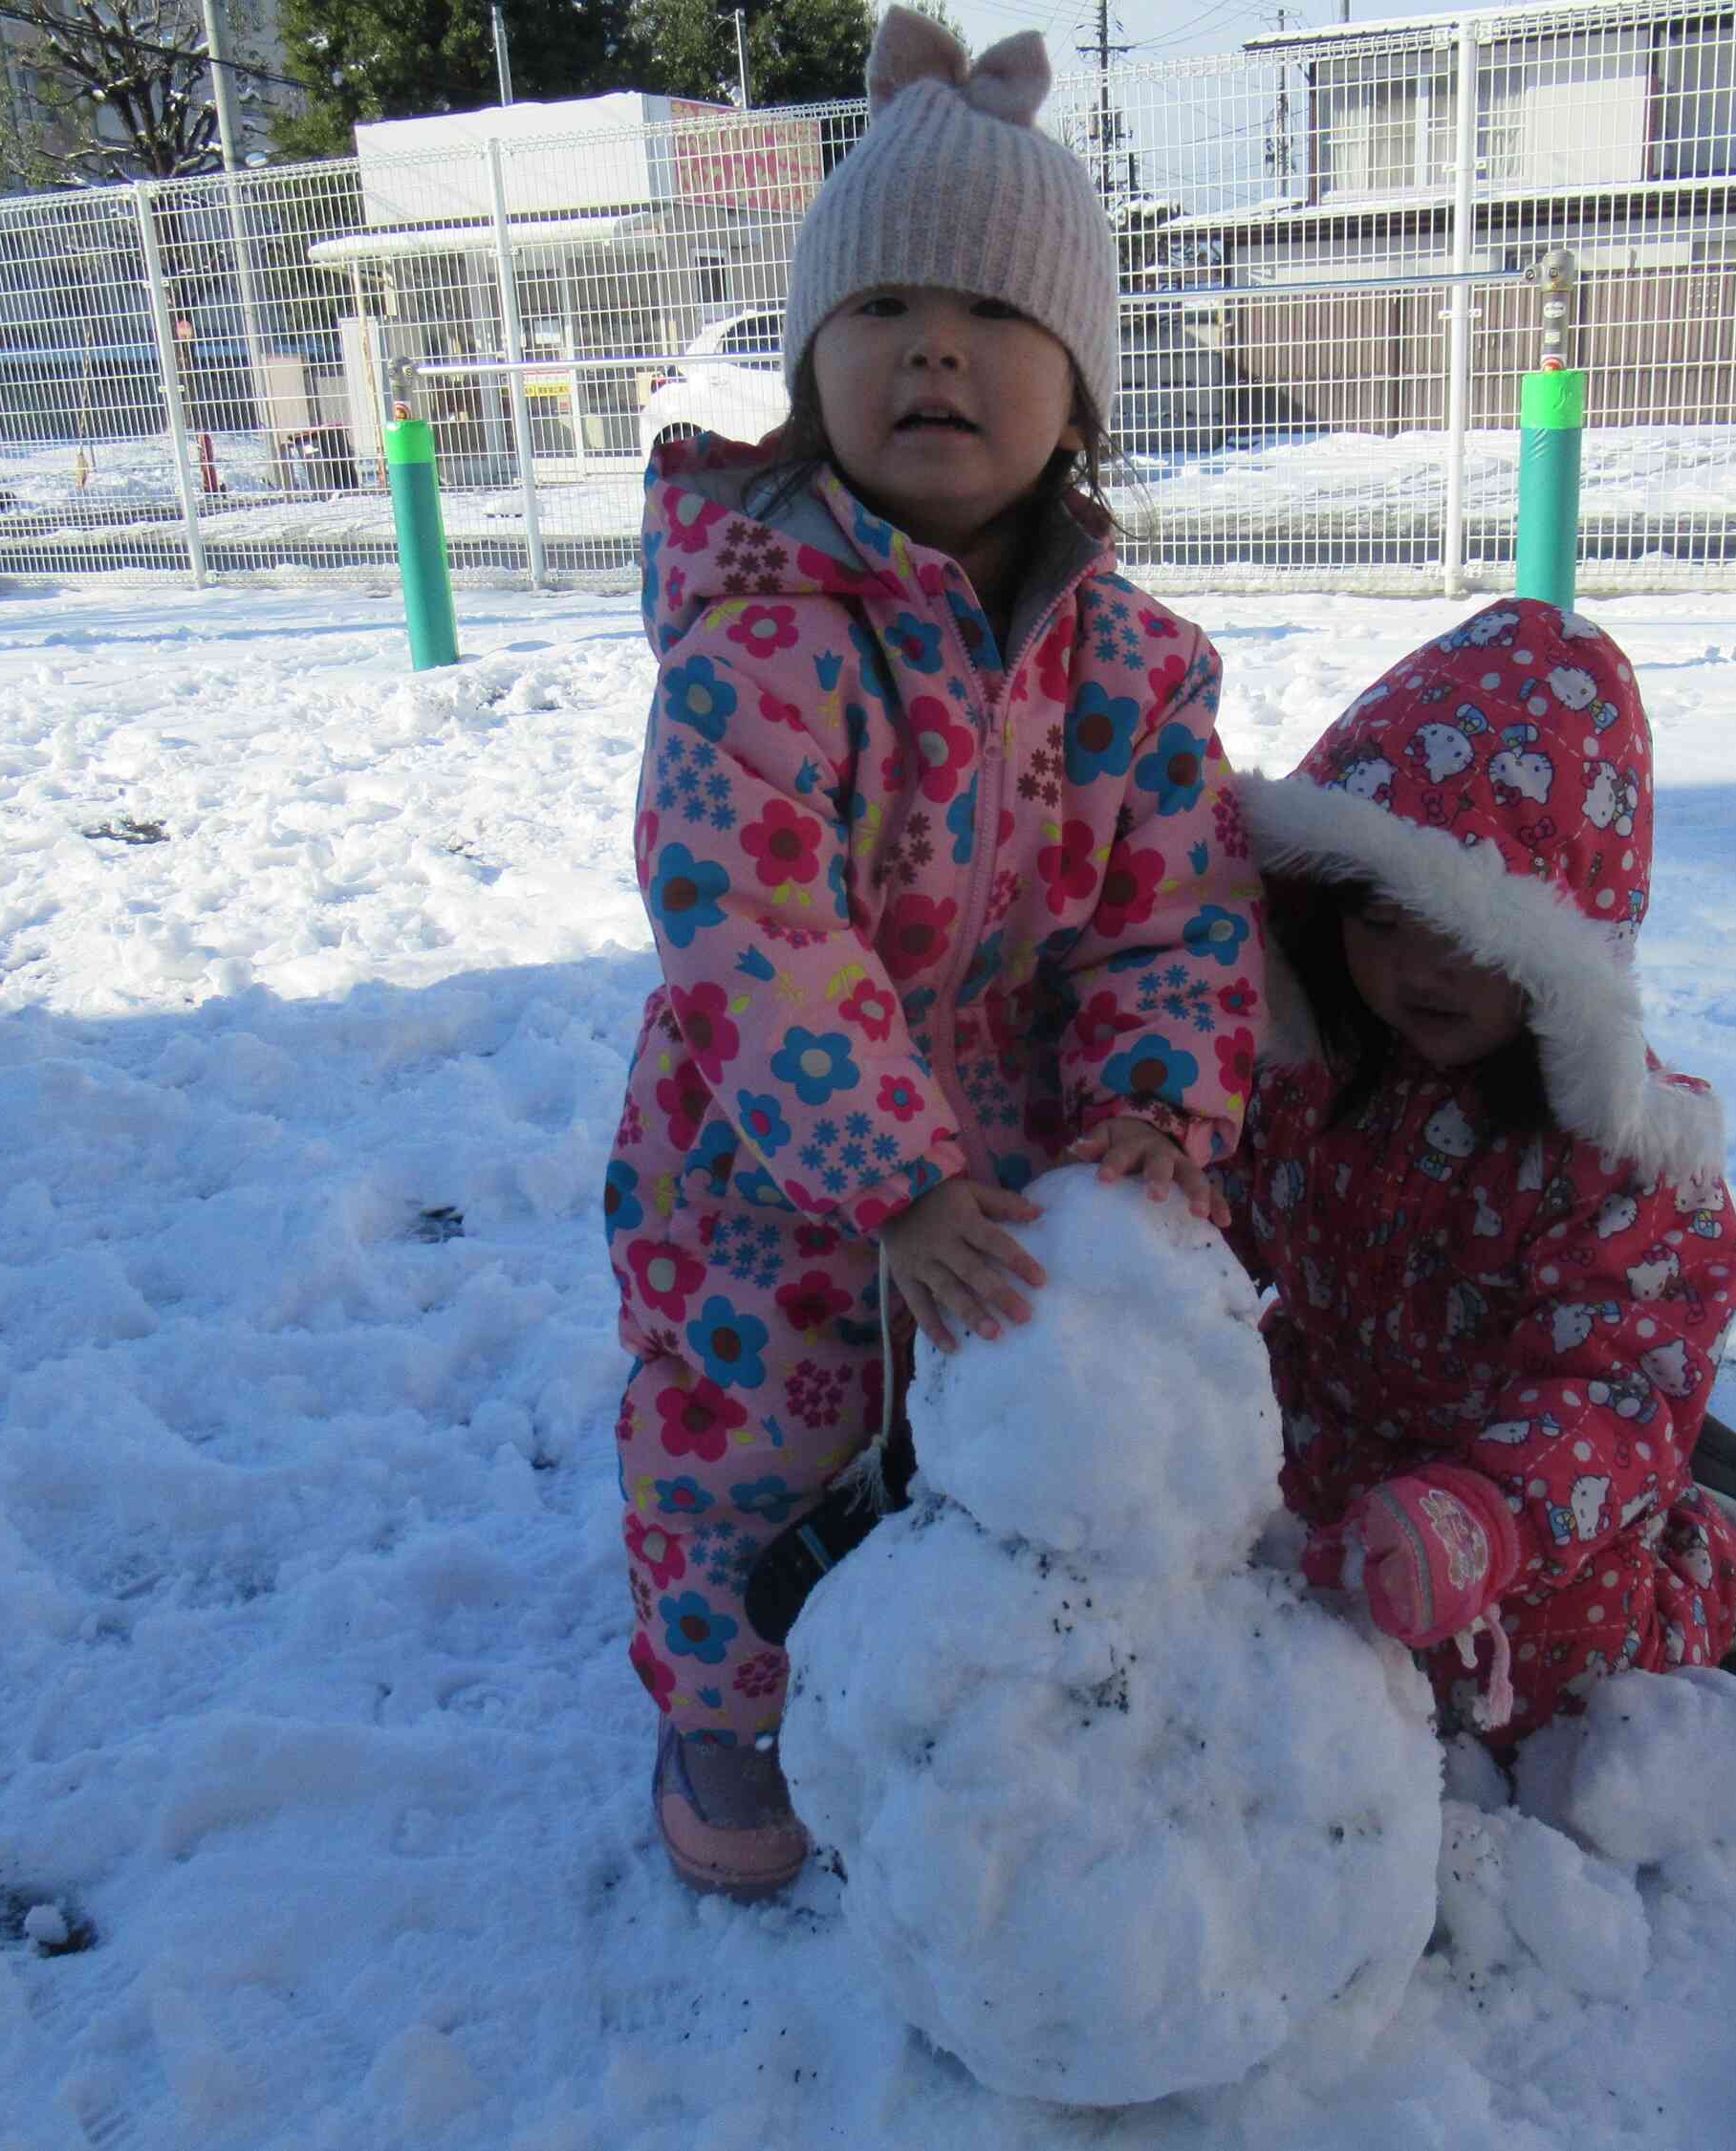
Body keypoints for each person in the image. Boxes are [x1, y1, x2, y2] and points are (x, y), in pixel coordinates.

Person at [608, 6, 1263, 1898]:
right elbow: (745, 910)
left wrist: (1159, 1102)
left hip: (1035, 1133)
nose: (938, 349)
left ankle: (974, 1696)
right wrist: (885, 1173)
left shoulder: (1135, 664)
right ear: (817, 363)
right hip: (775, 1155)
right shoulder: (764, 631)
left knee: (1005, 1445)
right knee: (755, 1439)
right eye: (884, 312)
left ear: (1080, 393)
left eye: (994, 319)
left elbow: (1178, 905)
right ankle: (730, 1703)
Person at [1226, 599, 1736, 1750]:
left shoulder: (1624, 1162)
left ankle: (1700, 1549)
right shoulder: (1308, 1073)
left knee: (1540, 1673)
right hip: (1330, 1432)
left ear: (1560, 940)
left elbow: (1618, 1389)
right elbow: (1225, 1228)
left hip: (1518, 1503)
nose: (1415, 967)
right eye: (1379, 911)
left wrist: (1486, 1516)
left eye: (1467, 927)